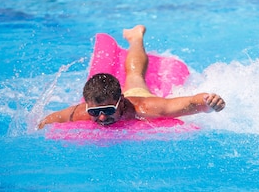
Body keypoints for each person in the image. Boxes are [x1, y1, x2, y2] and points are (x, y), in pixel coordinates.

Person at [37, 25, 226, 129]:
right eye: (95, 112)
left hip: (138, 95)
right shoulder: (82, 112)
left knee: (135, 76)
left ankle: (136, 37)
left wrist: (208, 102)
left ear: (121, 101)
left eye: (108, 110)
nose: (102, 117)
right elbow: (49, 119)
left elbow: (185, 104)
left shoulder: (144, 107)